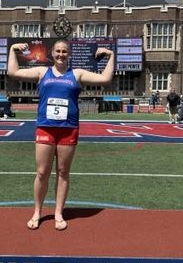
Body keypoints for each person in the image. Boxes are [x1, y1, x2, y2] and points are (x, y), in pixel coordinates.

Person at [7, 39, 115, 231]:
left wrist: (111, 55)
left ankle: (58, 212)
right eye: (57, 51)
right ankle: (37, 211)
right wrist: (12, 50)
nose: (60, 54)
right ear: (52, 53)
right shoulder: (42, 72)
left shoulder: (77, 74)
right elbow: (13, 72)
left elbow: (105, 79)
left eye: (64, 51)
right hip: (45, 127)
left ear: (69, 54)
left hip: (68, 128)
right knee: (42, 172)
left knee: (63, 172)